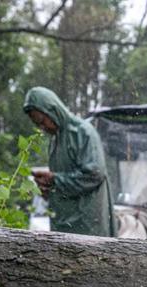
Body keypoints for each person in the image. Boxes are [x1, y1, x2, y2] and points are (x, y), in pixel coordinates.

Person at [23, 86, 115, 237]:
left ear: (52, 109)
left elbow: (94, 175)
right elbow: (64, 182)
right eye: (37, 124)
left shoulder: (83, 132)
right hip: (63, 224)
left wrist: (55, 179)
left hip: (88, 226)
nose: (42, 127)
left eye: (42, 120)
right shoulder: (55, 140)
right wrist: (48, 188)